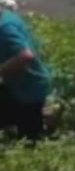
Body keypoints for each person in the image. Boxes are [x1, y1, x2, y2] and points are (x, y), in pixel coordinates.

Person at [0, 8, 53, 141]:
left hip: (30, 92)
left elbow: (26, 56)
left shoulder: (5, 28)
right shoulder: (7, 16)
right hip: (21, 86)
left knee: (30, 141)